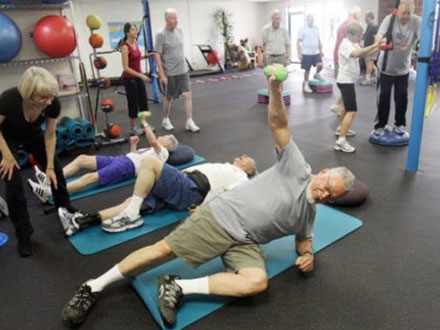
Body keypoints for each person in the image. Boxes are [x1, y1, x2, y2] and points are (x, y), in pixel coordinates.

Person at [61, 66, 355, 328]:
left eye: (331, 197)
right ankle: (94, 286)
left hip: (247, 242)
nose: (324, 194)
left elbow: (304, 239)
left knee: (257, 282)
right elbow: (279, 125)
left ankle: (177, 288)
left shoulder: (309, 214)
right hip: (221, 217)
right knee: (161, 251)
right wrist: (275, 89)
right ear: (323, 171)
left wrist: (307, 254)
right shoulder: (296, 168)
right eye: (327, 186)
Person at [59, 154, 256, 236]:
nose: (243, 156)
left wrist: (205, 210)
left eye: (247, 158)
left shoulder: (241, 177)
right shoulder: (225, 166)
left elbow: (233, 198)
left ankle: (132, 215)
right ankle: (81, 221)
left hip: (191, 188)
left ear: (248, 169)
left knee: (150, 162)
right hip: (179, 186)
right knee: (131, 201)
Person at [0, 66, 81, 257]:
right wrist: (7, 156)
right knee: (13, 184)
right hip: (6, 138)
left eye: (51, 96)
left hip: (32, 135)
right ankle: (24, 235)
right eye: (43, 98)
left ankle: (65, 209)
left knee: (57, 171)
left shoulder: (52, 103)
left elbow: (50, 134)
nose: (49, 101)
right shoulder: (8, 99)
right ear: (30, 94)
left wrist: (50, 167)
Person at [27, 115, 178, 202]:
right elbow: (135, 156)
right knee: (81, 159)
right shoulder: (151, 150)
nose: (160, 137)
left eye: (163, 137)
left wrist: (144, 122)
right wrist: (133, 146)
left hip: (126, 168)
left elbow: (151, 141)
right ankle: (47, 180)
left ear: (168, 143)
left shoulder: (163, 154)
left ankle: (50, 193)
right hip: (121, 159)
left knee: (89, 177)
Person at [373, 0, 421, 136]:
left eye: (409, 13)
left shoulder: (417, 21)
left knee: (402, 98)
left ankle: (399, 124)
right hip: (385, 68)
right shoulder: (390, 20)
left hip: (403, 69)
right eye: (403, 13)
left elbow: (423, 39)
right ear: (397, 11)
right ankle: (380, 125)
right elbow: (379, 36)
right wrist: (379, 41)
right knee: (383, 98)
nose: (406, 16)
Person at [334, 22, 381, 153]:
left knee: (345, 108)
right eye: (359, 35)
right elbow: (355, 54)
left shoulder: (352, 43)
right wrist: (374, 44)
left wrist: (379, 48)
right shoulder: (345, 44)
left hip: (347, 80)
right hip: (345, 81)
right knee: (352, 110)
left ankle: (341, 129)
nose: (361, 38)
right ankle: (341, 141)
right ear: (350, 34)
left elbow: (362, 53)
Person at [155, 8, 200, 132]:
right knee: (169, 98)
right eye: (173, 18)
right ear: (166, 20)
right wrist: (162, 74)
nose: (176, 21)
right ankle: (165, 119)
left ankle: (189, 121)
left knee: (187, 94)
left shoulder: (180, 31)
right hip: (170, 72)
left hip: (183, 70)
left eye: (177, 18)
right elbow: (157, 54)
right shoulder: (161, 34)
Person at [120, 22, 156, 135]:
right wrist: (141, 75)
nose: (135, 31)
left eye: (136, 29)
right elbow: (125, 68)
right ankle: (133, 128)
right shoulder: (125, 47)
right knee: (133, 103)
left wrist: (146, 56)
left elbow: (135, 58)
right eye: (133, 30)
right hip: (130, 79)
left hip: (138, 78)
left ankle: (144, 124)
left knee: (143, 101)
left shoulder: (135, 43)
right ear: (127, 32)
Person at [330, 6, 361, 115]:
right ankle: (340, 108)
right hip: (345, 59)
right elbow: (351, 49)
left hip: (339, 56)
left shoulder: (342, 25)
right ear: (356, 14)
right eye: (359, 14)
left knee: (345, 88)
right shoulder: (351, 26)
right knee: (346, 86)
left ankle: (338, 106)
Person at [297, 14, 324, 94]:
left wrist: (321, 50)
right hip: (306, 53)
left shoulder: (316, 28)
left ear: (313, 20)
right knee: (307, 70)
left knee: (320, 65)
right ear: (306, 21)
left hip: (316, 52)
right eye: (308, 20)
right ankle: (306, 85)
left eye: (312, 20)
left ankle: (317, 74)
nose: (310, 21)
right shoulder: (302, 29)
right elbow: (298, 42)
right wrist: (299, 53)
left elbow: (318, 40)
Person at [360, 12, 379, 86]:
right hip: (368, 48)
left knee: (369, 64)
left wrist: (373, 49)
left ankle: (368, 80)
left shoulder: (374, 27)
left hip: (371, 49)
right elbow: (367, 35)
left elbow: (376, 39)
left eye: (366, 17)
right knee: (371, 65)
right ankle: (378, 77)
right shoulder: (369, 26)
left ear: (370, 17)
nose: (365, 19)